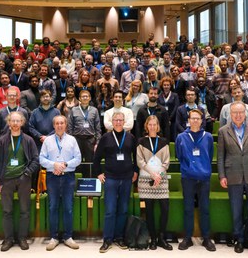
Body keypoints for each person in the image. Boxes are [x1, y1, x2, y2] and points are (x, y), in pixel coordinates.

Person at [217, 101, 248, 257]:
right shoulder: (223, 131)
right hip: (233, 174)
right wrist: (222, 175)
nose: (238, 115)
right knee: (236, 209)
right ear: (229, 114)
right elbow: (220, 156)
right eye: (234, 113)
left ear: (245, 113)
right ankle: (238, 239)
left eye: (240, 112)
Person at [0, 111, 39, 251]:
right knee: (7, 211)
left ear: (22, 123)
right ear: (8, 123)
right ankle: (8, 239)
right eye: (12, 121)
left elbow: (36, 160)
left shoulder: (28, 140)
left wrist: (27, 173)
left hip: (23, 179)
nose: (15, 123)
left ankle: (22, 238)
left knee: (25, 210)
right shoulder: (2, 140)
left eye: (18, 121)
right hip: (6, 179)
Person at [94, 112, 138, 253]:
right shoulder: (106, 138)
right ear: (112, 122)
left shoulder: (131, 137)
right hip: (111, 178)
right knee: (110, 210)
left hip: (126, 178)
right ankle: (107, 239)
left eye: (120, 120)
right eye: (116, 120)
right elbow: (96, 158)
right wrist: (99, 173)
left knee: (123, 210)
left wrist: (136, 171)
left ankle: (119, 237)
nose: (118, 122)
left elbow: (137, 157)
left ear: (124, 121)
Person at [175, 110, 216, 252]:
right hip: (188, 177)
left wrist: (203, 168)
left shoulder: (208, 137)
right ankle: (187, 237)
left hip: (204, 177)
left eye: (198, 118)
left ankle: (206, 238)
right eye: (192, 118)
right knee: (188, 208)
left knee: (204, 208)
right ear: (188, 120)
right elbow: (179, 156)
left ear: (202, 120)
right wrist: (188, 167)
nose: (195, 121)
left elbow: (209, 155)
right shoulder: (181, 137)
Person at [40, 115, 82, 251]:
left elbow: (78, 158)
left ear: (66, 125)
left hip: (68, 177)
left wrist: (64, 164)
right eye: (57, 123)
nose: (59, 126)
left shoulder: (72, 140)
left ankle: (68, 237)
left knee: (68, 207)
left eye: (62, 123)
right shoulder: (47, 141)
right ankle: (54, 237)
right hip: (52, 177)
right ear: (54, 125)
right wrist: (54, 165)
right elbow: (41, 159)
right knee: (53, 207)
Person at [136, 116, 172, 250]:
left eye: (154, 124)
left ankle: (161, 237)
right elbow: (140, 162)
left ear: (158, 126)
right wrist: (152, 174)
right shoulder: (141, 141)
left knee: (165, 208)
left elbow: (166, 162)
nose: (152, 127)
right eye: (149, 124)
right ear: (146, 126)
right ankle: (153, 238)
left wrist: (159, 176)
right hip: (146, 179)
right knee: (149, 211)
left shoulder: (164, 141)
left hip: (161, 179)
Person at [67, 90, 101, 177]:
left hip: (90, 140)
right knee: (77, 160)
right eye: (83, 96)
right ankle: (78, 182)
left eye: (87, 96)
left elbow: (98, 128)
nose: (85, 98)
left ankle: (89, 181)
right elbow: (70, 127)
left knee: (90, 161)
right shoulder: (74, 110)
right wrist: (71, 141)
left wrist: (97, 143)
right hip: (77, 139)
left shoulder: (94, 110)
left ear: (89, 98)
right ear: (79, 99)